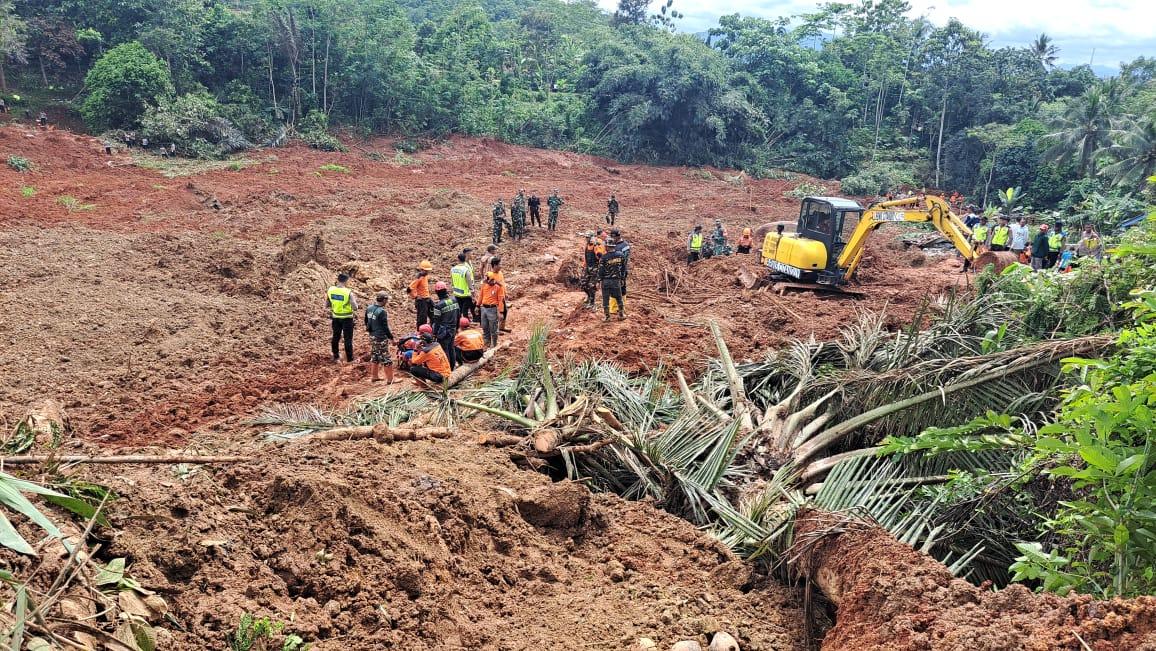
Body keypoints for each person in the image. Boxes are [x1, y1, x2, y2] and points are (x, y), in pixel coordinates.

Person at [326, 273, 358, 363]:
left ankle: (336, 356)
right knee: (348, 338)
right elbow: (355, 307)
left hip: (335, 317)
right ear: (346, 281)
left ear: (338, 280)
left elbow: (327, 304)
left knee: (335, 336)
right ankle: (350, 359)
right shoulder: (348, 292)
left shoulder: (331, 290)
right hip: (347, 318)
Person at [364, 291, 395, 383]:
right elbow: (385, 327)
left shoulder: (369, 308)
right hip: (380, 337)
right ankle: (390, 379)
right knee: (386, 357)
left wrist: (371, 330)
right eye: (387, 299)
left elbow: (366, 321)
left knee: (375, 355)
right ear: (384, 299)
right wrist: (391, 338)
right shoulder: (382, 312)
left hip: (372, 336)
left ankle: (374, 376)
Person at [431, 281, 460, 370]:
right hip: (453, 328)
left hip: (444, 331)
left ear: (437, 292)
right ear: (446, 290)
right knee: (451, 348)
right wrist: (457, 327)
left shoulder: (438, 306)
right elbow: (458, 315)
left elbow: (437, 322)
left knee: (445, 350)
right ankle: (452, 367)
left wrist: (434, 334)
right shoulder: (454, 300)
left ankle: (447, 370)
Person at [599, 241, 627, 321]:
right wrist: (622, 278)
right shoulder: (621, 255)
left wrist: (600, 280)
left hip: (606, 281)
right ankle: (621, 314)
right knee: (619, 297)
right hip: (616, 281)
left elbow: (601, 271)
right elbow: (623, 268)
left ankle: (607, 317)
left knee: (605, 299)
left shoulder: (604, 257)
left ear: (607, 247)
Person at [478, 271, 506, 348]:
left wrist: (501, 312)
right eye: (488, 281)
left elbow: (501, 300)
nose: (490, 282)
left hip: (492, 309)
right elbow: (481, 295)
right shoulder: (484, 285)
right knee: (484, 326)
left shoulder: (498, 287)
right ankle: (487, 340)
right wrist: (477, 305)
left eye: (491, 280)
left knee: (493, 327)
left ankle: (494, 343)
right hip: (483, 308)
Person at [406, 260, 434, 327]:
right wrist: (415, 296)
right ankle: (420, 332)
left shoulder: (425, 276)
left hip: (427, 298)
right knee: (422, 319)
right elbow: (409, 289)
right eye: (426, 270)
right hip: (421, 301)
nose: (427, 272)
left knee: (434, 314)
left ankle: (432, 329)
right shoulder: (419, 278)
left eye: (428, 271)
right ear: (421, 269)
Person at [451, 251, 476, 322]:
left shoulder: (453, 269)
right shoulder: (465, 270)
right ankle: (465, 324)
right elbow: (469, 283)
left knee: (459, 310)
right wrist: (473, 292)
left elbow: (452, 282)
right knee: (465, 311)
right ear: (465, 259)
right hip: (465, 294)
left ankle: (458, 323)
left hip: (457, 293)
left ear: (458, 259)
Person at [581, 232, 602, 308]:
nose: (586, 239)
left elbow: (600, 255)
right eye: (586, 237)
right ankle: (589, 297)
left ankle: (592, 302)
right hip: (587, 267)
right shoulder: (587, 245)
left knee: (591, 286)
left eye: (588, 237)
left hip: (595, 268)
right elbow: (585, 256)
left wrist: (596, 245)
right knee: (583, 284)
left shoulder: (596, 246)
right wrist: (584, 266)